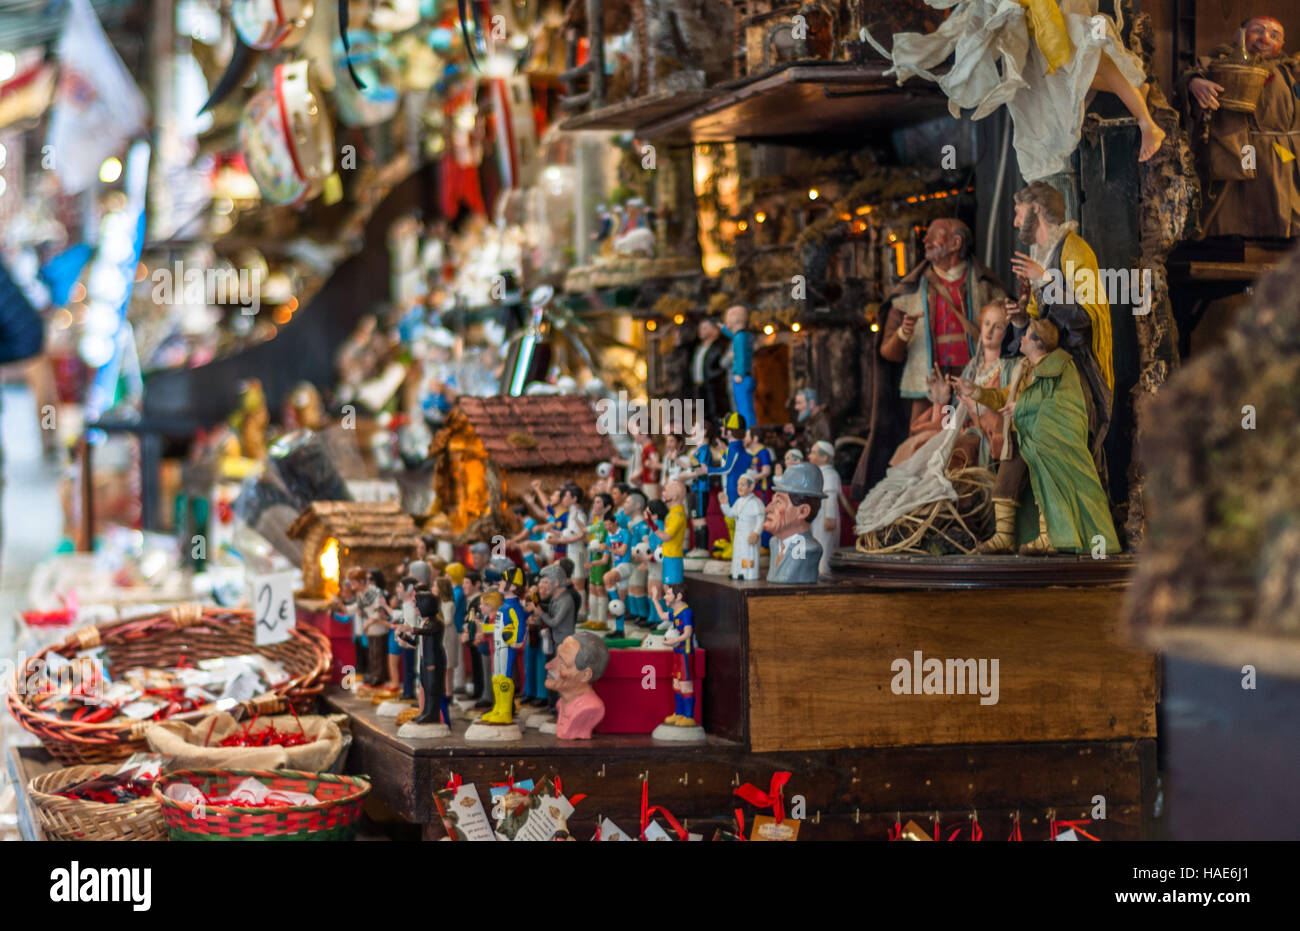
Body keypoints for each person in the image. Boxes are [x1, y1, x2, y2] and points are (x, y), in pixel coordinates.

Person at [867, 0, 1165, 181]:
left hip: (1056, 13)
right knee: (1068, 75)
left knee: (1090, 53)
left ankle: (1147, 123)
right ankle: (1138, 92)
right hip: (1036, 20)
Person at [853, 218, 1007, 498]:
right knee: (923, 446)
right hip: (926, 385)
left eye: (934, 236)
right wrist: (902, 333)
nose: (925, 241)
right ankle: (923, 503)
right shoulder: (908, 293)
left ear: (956, 243)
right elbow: (887, 353)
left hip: (976, 382)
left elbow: (1008, 332)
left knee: (976, 445)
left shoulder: (985, 286)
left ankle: (976, 502)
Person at [962, 317, 1119, 555]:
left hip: (1044, 440)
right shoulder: (1022, 368)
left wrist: (1022, 407)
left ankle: (1051, 536)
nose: (1021, 339)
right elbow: (1006, 397)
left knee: (1045, 485)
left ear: (1038, 342)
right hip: (1018, 437)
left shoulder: (1061, 369)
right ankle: (1004, 537)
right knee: (1005, 485)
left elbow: (1061, 404)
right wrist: (976, 392)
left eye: (1026, 336)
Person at [1003, 181, 1113, 483]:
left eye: (1018, 211)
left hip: (1074, 375)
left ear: (1036, 208)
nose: (1015, 221)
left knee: (1075, 459)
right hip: (1049, 373)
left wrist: (1047, 281)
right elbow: (1041, 324)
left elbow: (1085, 317)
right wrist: (1020, 319)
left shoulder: (1075, 250)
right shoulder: (1042, 255)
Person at [1182, 15, 1299, 239]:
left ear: (1282, 45)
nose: (1265, 39)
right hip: (1234, 147)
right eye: (1259, 31)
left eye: (1275, 36)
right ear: (1240, 34)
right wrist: (1194, 83)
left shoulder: (1289, 72)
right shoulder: (1218, 62)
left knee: (1279, 207)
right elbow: (1190, 76)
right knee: (1231, 209)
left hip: (1280, 155)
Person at [763, 462, 826, 584]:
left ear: (803, 511)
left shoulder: (808, 549)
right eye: (772, 501)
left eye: (778, 503)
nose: (768, 509)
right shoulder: (774, 543)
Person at [545, 631, 610, 739]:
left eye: (563, 662)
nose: (548, 666)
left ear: (585, 675)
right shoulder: (561, 704)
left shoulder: (590, 707)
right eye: (557, 657)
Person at [533, 564, 580, 711]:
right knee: (552, 674)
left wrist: (540, 613)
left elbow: (555, 622)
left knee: (560, 676)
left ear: (556, 583)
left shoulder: (566, 600)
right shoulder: (556, 599)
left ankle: (560, 705)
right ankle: (552, 704)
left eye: (547, 582)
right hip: (554, 642)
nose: (544, 586)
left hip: (562, 643)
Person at [651, 583, 699, 726]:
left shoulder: (686, 612)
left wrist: (674, 640)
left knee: (686, 684)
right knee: (676, 683)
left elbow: (688, 633)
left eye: (668, 594)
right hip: (677, 652)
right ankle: (679, 713)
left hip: (685, 653)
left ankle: (689, 716)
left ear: (678, 596)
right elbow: (661, 616)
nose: (665, 597)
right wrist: (654, 599)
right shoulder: (676, 613)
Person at [718, 471, 765, 580]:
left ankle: (747, 574)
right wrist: (725, 503)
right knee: (738, 554)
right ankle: (736, 572)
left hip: (750, 535)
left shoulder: (756, 502)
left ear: (751, 486)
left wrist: (756, 533)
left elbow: (761, 519)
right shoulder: (738, 501)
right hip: (739, 535)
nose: (739, 487)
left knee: (748, 555)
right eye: (738, 485)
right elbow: (730, 514)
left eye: (742, 485)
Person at [720, 304, 757, 428]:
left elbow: (740, 356)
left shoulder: (739, 338)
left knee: (743, 407)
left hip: (741, 377)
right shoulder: (744, 336)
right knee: (744, 406)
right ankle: (747, 429)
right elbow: (734, 336)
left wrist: (739, 374)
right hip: (746, 377)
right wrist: (723, 329)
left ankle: (748, 430)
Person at [808, 441, 841, 578]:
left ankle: (824, 571)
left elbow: (831, 497)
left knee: (824, 544)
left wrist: (830, 517)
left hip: (825, 517)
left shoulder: (830, 475)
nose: (810, 456)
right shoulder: (818, 473)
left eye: (814, 453)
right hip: (817, 515)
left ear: (824, 457)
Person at [646, 480, 688, 586]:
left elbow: (666, 536)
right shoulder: (673, 513)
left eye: (665, 490)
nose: (663, 493)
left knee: (673, 590)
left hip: (673, 557)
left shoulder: (677, 515)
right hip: (668, 555)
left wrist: (651, 524)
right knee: (667, 589)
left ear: (674, 497)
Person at [690, 316, 731, 425]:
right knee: (702, 415)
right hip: (699, 386)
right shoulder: (699, 347)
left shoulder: (720, 346)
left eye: (705, 328)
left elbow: (722, 366)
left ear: (715, 330)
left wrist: (713, 376)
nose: (701, 331)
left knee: (716, 414)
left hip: (714, 387)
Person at [783, 387, 832, 455]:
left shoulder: (823, 420)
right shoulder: (810, 420)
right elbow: (806, 447)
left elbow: (824, 449)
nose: (796, 407)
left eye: (799, 403)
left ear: (811, 403)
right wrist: (794, 440)